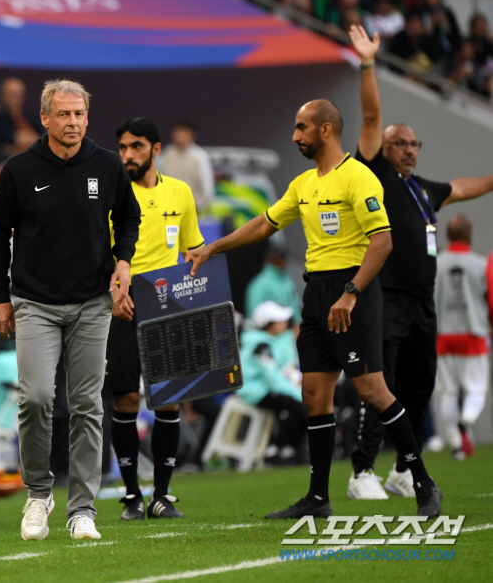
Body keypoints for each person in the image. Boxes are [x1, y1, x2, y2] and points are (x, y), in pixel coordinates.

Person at [186, 98, 442, 519]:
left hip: (353, 291)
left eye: (301, 127)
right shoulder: (304, 184)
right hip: (316, 294)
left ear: (325, 130)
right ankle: (318, 499)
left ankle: (423, 483)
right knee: (313, 395)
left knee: (372, 390)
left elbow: (382, 242)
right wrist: (213, 247)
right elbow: (264, 223)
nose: (294, 135)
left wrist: (352, 292)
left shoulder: (358, 178)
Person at [0, 79, 140, 541]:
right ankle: (38, 495)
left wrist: (124, 262)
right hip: (34, 303)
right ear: (46, 119)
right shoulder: (18, 169)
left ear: (87, 118)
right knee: (35, 399)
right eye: (64, 114)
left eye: (79, 114)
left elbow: (128, 218)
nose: (72, 122)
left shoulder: (108, 165)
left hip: (93, 303)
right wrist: (0, 296)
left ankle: (83, 509)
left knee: (88, 405)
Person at [347, 25, 493, 500]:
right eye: (400, 144)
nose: (408, 150)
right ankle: (361, 471)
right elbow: (371, 116)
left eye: (414, 145)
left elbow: (466, 187)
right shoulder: (377, 174)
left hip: (421, 304)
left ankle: (403, 470)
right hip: (384, 298)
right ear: (383, 151)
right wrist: (368, 62)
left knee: (418, 386)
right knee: (378, 383)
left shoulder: (422, 189)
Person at [105, 117, 204, 521]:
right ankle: (131, 495)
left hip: (167, 304)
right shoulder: (112, 192)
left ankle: (162, 495)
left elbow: (193, 249)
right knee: (126, 398)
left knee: (169, 400)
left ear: (156, 149)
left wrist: (199, 294)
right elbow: (99, 250)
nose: (128, 154)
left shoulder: (180, 193)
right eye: (123, 147)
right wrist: (113, 289)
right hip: (122, 304)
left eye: (137, 147)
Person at [434, 215, 491, 460]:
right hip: (473, 336)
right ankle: (466, 422)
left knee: (449, 392)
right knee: (476, 389)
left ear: (447, 235)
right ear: (469, 235)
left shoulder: (435, 264)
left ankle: (456, 445)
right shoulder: (482, 264)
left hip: (444, 337)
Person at [237, 302, 306, 465]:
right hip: (253, 392)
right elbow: (273, 379)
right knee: (297, 407)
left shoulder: (268, 341)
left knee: (293, 406)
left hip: (263, 388)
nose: (284, 323)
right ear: (269, 325)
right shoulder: (261, 346)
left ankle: (283, 449)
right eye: (279, 320)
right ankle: (277, 449)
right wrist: (299, 394)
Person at [158, 120, 215, 213]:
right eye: (177, 133)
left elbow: (206, 186)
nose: (180, 136)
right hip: (170, 208)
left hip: (195, 208)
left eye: (184, 133)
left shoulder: (200, 157)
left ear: (193, 136)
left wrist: (197, 206)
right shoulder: (168, 154)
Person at [245, 241, 302, 326]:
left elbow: (295, 308)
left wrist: (299, 326)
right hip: (272, 334)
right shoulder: (259, 285)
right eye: (280, 257)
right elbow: (254, 318)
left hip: (292, 332)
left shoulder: (287, 280)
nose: (283, 260)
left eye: (284, 256)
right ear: (270, 258)